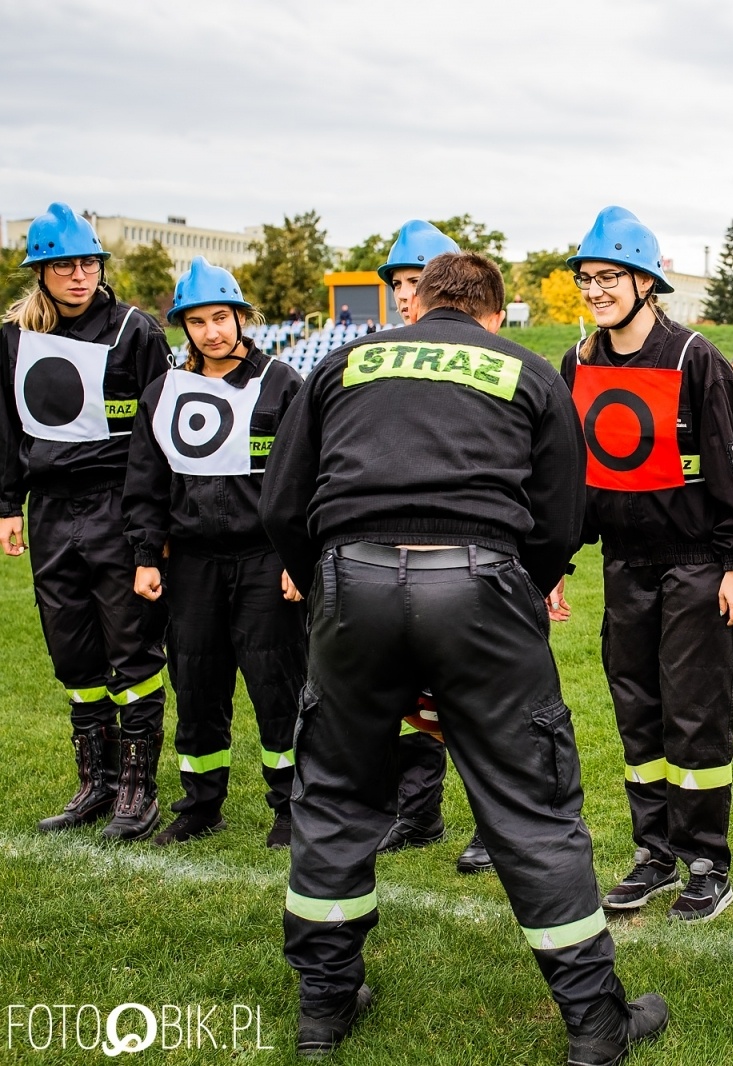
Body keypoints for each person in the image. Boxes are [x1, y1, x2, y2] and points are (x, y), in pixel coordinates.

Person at [261, 251, 667, 1061]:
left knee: (335, 795)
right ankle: (595, 1026)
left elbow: (282, 499)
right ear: (495, 311)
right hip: (480, 577)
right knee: (532, 807)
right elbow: (560, 517)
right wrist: (507, 606)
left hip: (350, 576)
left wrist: (336, 597)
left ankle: (323, 1008)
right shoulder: (525, 370)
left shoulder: (345, 361)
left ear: (416, 307)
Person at [552, 206, 733, 922]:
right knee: (637, 712)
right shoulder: (576, 362)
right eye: (587, 278)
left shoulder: (693, 357)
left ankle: (707, 863)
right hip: (623, 564)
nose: (596, 290)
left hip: (697, 563)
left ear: (646, 281)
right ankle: (655, 853)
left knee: (695, 717)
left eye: (609, 276)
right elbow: (569, 473)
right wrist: (553, 561)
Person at [1, 202, 172, 841]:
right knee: (71, 651)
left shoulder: (136, 331)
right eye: (64, 265)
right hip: (48, 508)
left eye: (89, 263)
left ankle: (137, 787)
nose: (79, 275)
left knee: (131, 645)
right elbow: (5, 427)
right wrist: (3, 505)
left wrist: (154, 528)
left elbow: (162, 439)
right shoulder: (15, 338)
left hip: (118, 506)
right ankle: (96, 781)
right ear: (41, 272)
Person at [122, 258, 305, 848]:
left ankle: (291, 803)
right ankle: (201, 804)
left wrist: (297, 559)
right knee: (196, 683)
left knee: (277, 684)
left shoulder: (283, 382)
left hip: (265, 561)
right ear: (184, 328)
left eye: (221, 318)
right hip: (192, 564)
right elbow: (145, 483)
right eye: (197, 322)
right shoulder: (162, 392)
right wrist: (147, 556)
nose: (212, 332)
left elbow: (309, 477)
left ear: (241, 318)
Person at [372, 219, 493, 874]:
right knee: (399, 694)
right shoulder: (373, 356)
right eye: (398, 284)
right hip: (384, 558)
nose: (406, 295)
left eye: (416, 282)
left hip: (461, 557)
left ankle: (491, 822)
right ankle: (416, 811)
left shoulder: (483, 359)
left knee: (468, 697)